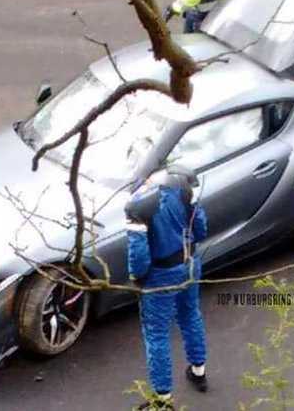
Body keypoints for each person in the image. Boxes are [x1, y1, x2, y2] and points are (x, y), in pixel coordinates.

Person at [125, 165, 209, 410]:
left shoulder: (137, 208)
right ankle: (198, 371)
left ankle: (163, 400)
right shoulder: (180, 190)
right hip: (190, 265)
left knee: (157, 335)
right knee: (190, 316)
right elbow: (201, 229)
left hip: (161, 277)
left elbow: (139, 257)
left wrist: (137, 279)